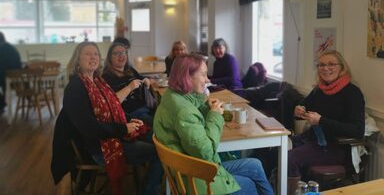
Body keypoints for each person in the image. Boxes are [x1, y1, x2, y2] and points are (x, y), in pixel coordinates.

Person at [51, 42, 162, 195]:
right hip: (98, 148)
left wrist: (129, 119)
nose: (93, 57)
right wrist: (123, 128)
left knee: (158, 138)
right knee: (160, 152)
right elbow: (89, 128)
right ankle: (149, 191)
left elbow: (113, 108)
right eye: (88, 54)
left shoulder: (97, 82)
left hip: (111, 137)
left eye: (96, 54)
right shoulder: (76, 87)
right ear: (77, 60)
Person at [153, 54, 274, 195]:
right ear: (187, 77)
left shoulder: (172, 96)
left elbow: (191, 115)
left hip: (192, 168)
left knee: (255, 165)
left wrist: (206, 106)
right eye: (203, 75)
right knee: (250, 185)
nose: (207, 80)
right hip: (196, 179)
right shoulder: (183, 111)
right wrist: (215, 115)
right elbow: (206, 152)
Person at [287, 50, 365, 194]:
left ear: (342, 67)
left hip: (335, 148)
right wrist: (298, 110)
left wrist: (321, 121)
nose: (325, 68)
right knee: (276, 147)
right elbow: (304, 106)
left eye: (331, 64)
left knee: (289, 158)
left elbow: (357, 130)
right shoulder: (319, 90)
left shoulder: (352, 93)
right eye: (321, 65)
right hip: (312, 140)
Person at [102, 43, 153, 125]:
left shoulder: (130, 70)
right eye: (116, 53)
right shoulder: (106, 77)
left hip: (146, 108)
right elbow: (112, 103)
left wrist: (146, 80)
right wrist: (129, 87)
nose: (121, 55)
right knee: (158, 126)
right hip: (131, 115)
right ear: (110, 58)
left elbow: (141, 77)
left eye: (123, 52)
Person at [0, 32, 22, 113]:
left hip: (10, 77)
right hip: (17, 76)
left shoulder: (3, 50)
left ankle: (1, 104)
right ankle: (1, 104)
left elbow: (3, 67)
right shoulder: (9, 47)